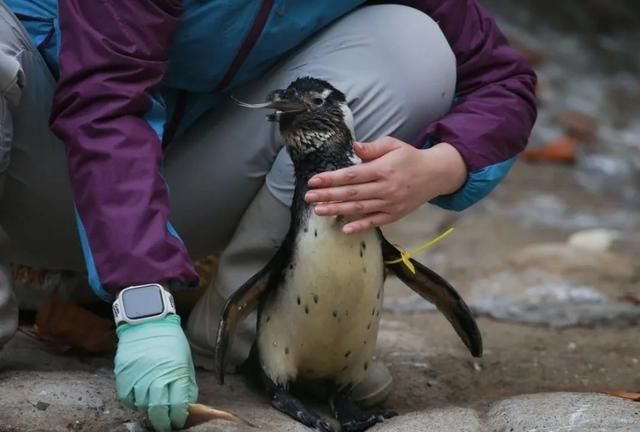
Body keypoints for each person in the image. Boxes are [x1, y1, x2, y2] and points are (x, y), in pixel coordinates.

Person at [0, 1, 537, 431]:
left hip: (198, 187)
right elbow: (104, 104)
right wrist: (143, 305)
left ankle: (249, 343)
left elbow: (499, 80)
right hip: (41, 175)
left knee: (413, 44)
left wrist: (443, 165)